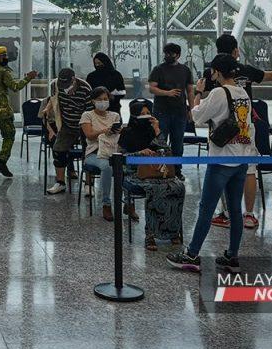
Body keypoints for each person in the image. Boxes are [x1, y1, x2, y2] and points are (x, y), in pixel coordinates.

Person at [204, 33, 272, 230]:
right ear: (235, 50)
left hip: (221, 131)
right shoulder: (244, 70)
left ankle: (226, 214)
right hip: (245, 126)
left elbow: (207, 97)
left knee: (221, 169)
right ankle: (249, 215)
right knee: (250, 169)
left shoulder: (212, 72)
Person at [167, 53, 257, 273]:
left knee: (206, 208)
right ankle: (232, 256)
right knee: (235, 209)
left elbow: (196, 116)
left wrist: (198, 92)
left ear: (216, 72)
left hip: (221, 159)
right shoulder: (243, 92)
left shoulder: (219, 92)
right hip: (241, 159)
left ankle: (192, 254)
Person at [118, 100, 186, 249]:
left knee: (178, 187)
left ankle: (173, 231)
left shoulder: (152, 131)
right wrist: (139, 153)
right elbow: (121, 158)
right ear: (134, 116)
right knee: (154, 189)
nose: (145, 116)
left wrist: (157, 129)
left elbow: (167, 152)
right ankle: (151, 234)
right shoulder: (126, 132)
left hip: (157, 171)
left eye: (148, 113)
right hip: (135, 172)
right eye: (142, 114)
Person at [0, 46, 38, 178]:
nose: (5, 58)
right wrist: (28, 78)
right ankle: (1, 162)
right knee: (9, 136)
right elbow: (15, 87)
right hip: (3, 113)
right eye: (3, 56)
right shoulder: (4, 72)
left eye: (5, 55)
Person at [42, 68, 92, 196]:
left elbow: (90, 111)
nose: (65, 88)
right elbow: (53, 99)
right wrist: (47, 109)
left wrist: (87, 130)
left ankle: (88, 184)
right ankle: (60, 183)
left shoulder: (85, 88)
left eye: (67, 85)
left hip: (83, 125)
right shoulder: (55, 85)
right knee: (58, 149)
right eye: (62, 84)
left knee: (88, 152)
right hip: (66, 124)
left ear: (73, 79)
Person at [147, 43, 194, 177]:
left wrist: (192, 109)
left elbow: (190, 91)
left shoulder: (185, 70)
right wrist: (167, 93)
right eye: (166, 53)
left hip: (180, 112)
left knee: (178, 143)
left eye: (171, 54)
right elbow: (152, 88)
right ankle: (160, 171)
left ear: (178, 55)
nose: (168, 56)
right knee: (160, 142)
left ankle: (177, 171)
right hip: (161, 111)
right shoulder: (158, 69)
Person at [79, 86, 122, 220]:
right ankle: (106, 204)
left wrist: (117, 131)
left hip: (112, 151)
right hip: (94, 153)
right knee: (107, 167)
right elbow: (89, 135)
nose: (103, 102)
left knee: (127, 166)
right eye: (99, 99)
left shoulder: (115, 116)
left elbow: (118, 136)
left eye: (105, 99)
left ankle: (128, 203)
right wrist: (105, 131)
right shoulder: (87, 115)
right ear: (93, 101)